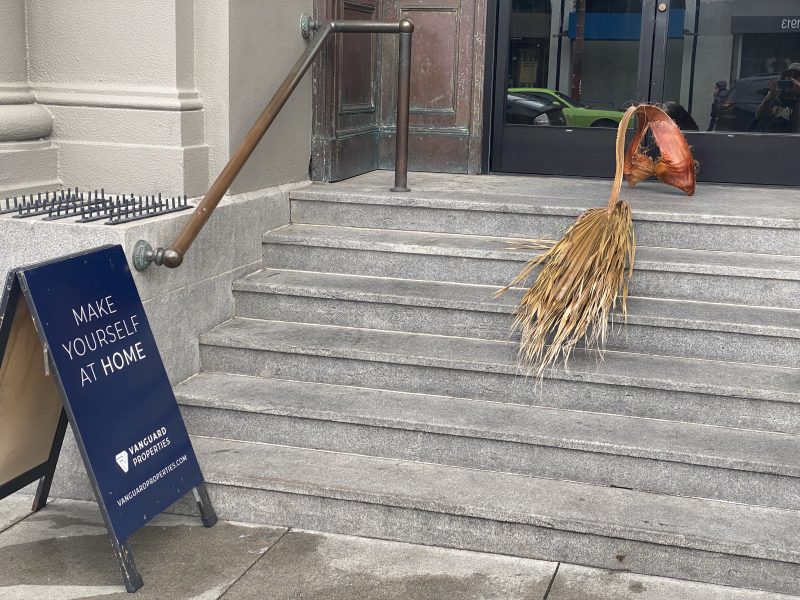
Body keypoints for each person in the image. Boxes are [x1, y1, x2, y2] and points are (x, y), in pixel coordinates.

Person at [753, 63, 800, 133]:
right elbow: (759, 115)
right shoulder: (776, 93)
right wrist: (771, 96)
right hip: (766, 136)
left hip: (788, 140)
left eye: (796, 75)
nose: (791, 78)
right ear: (784, 78)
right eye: (788, 75)